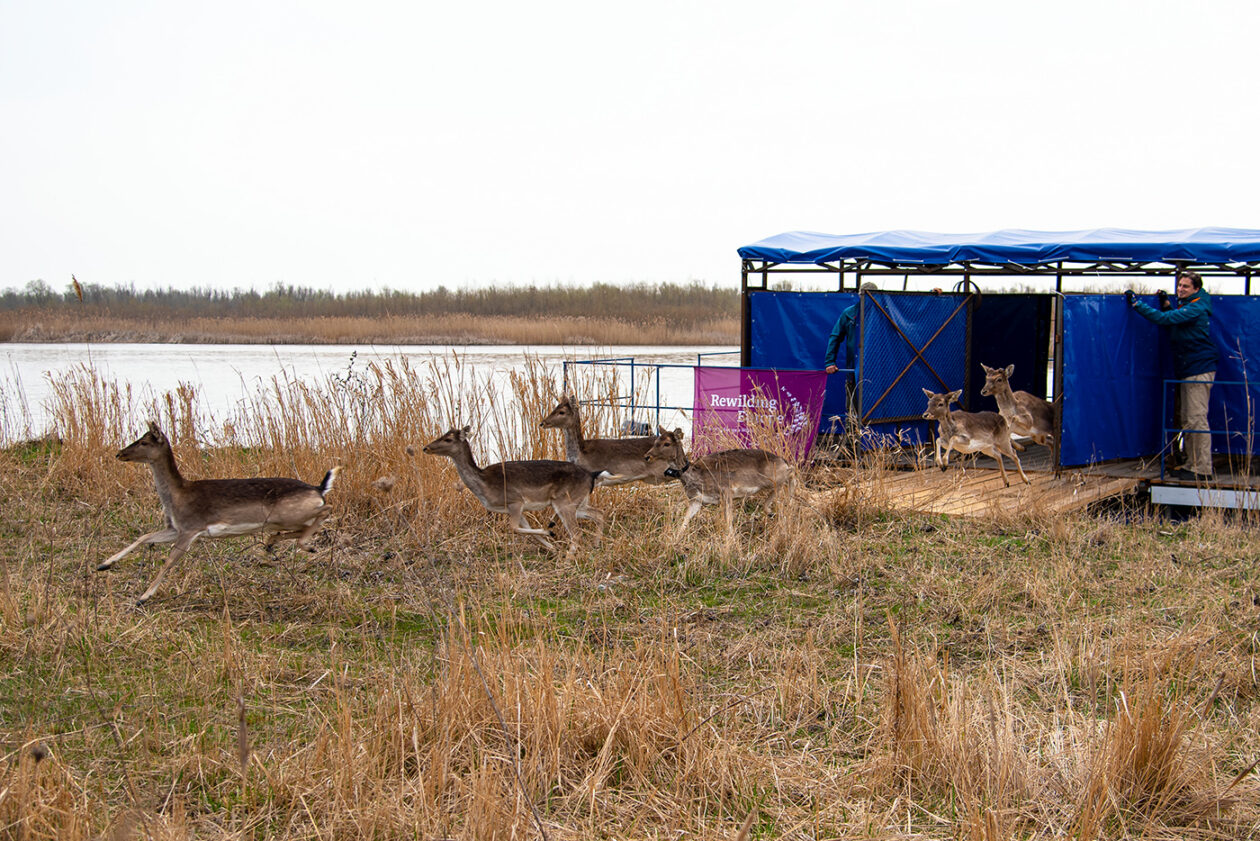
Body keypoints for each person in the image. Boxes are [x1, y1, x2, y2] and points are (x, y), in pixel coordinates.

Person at [1126, 270, 1218, 480]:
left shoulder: (1196, 308)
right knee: (1188, 418)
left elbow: (1165, 319)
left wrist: (1137, 305)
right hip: (1190, 369)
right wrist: (1166, 301)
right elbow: (1174, 318)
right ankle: (1191, 463)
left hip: (1199, 368)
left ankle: (1202, 469)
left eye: (1185, 286)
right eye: (1179, 286)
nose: (1180, 289)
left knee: (1196, 418)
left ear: (1196, 288)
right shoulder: (1190, 304)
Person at [823, 282, 877, 438]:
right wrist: (829, 362)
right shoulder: (850, 313)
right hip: (854, 371)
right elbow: (835, 336)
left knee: (877, 408)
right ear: (859, 295)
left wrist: (931, 293)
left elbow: (905, 311)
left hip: (878, 371)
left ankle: (875, 443)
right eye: (864, 295)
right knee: (852, 409)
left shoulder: (884, 311)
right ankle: (852, 443)